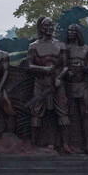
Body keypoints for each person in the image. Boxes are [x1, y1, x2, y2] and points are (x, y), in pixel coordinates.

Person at [27, 17, 72, 153]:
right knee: (36, 112)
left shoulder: (61, 45)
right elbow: (29, 65)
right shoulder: (33, 46)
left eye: (52, 25)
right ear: (41, 28)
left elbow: (65, 66)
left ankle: (65, 144)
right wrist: (43, 69)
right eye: (47, 25)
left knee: (63, 113)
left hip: (57, 83)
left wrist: (59, 78)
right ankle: (34, 144)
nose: (50, 27)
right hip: (41, 82)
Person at [65, 24, 88, 153]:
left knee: (85, 115)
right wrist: (67, 73)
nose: (70, 32)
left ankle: (87, 145)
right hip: (69, 86)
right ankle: (68, 144)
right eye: (69, 30)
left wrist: (82, 66)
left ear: (78, 33)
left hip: (83, 85)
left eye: (73, 30)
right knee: (67, 115)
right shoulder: (65, 49)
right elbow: (61, 66)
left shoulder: (87, 49)